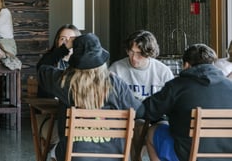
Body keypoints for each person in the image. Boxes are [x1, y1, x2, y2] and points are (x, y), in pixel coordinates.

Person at [38, 33, 141, 161]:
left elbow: (41, 68)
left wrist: (65, 47)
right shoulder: (116, 84)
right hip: (113, 156)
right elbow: (139, 111)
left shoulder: (64, 82)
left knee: (55, 152)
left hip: (74, 156)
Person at [140, 43, 232, 161]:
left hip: (186, 156)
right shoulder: (230, 86)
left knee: (152, 131)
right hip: (226, 156)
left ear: (186, 65)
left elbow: (147, 111)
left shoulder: (177, 86)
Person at [109, 30, 174, 159]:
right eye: (131, 52)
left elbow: (171, 103)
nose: (133, 58)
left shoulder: (162, 71)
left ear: (149, 53)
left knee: (164, 129)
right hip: (126, 116)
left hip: (157, 117)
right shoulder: (116, 69)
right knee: (137, 126)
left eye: (139, 54)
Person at [36, 24, 81, 97]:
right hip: (50, 105)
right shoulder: (50, 57)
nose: (67, 42)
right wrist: (65, 48)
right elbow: (41, 68)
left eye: (72, 40)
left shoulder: (82, 61)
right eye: (63, 39)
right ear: (57, 41)